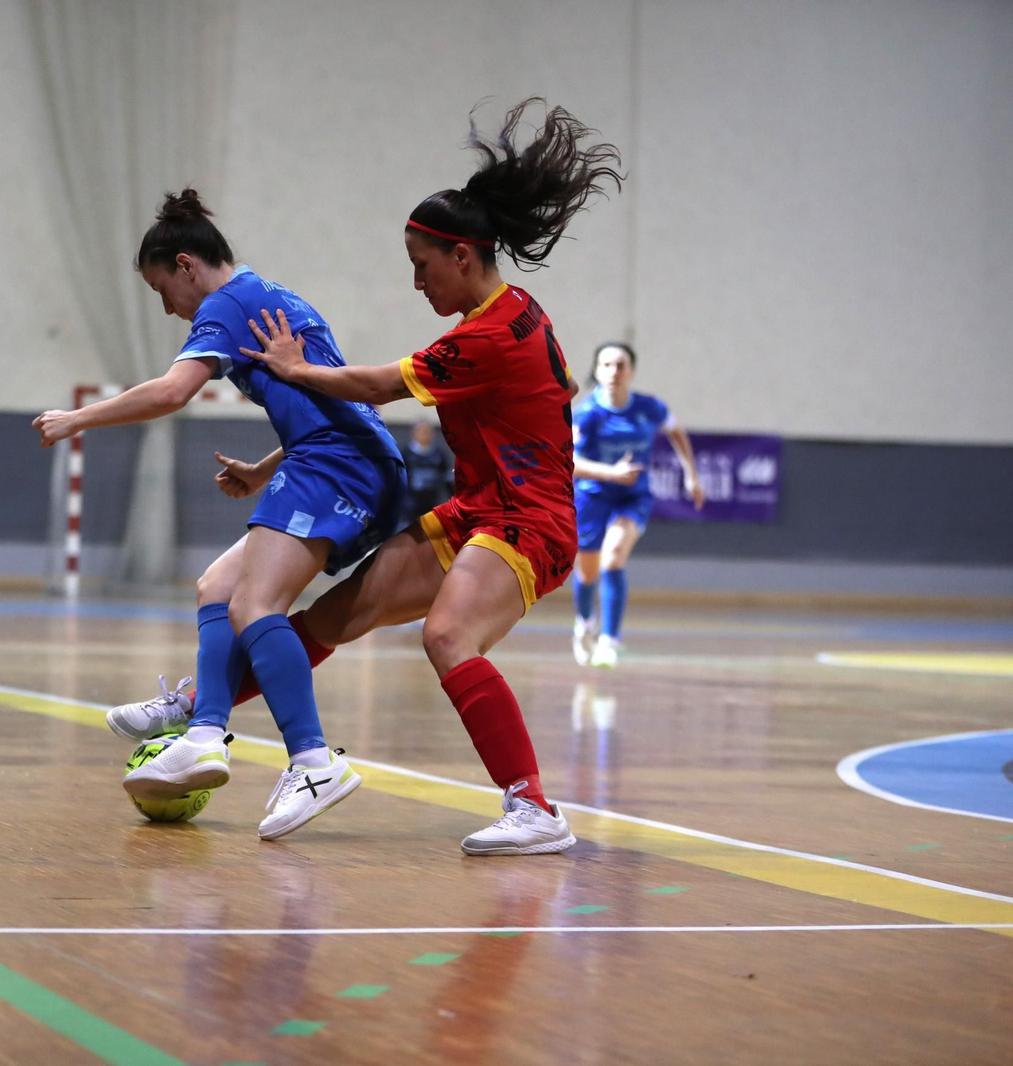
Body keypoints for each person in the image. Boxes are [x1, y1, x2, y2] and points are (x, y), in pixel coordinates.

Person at [112, 98, 620, 856]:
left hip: (530, 521)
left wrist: (294, 368)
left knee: (448, 636)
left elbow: (379, 387)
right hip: (476, 510)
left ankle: (533, 807)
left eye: (421, 267)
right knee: (326, 621)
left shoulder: (486, 337)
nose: (417, 283)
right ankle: (200, 708)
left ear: (461, 256)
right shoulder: (515, 314)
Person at [33, 190, 406, 840]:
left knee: (255, 605)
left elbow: (174, 391)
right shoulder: (271, 295)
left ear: (186, 265)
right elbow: (322, 397)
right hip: (346, 459)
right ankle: (204, 732)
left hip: (337, 463)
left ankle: (313, 762)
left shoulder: (224, 305)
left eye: (161, 289)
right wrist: (265, 471)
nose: (168, 306)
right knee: (220, 588)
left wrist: (78, 420)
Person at [570, 342, 704, 667]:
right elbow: (567, 462)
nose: (614, 372)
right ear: (597, 371)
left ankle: (609, 641)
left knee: (613, 557)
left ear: (631, 371)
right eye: (606, 365)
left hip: (633, 495)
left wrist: (691, 474)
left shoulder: (650, 408)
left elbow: (676, 433)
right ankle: (585, 621)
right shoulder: (586, 414)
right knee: (586, 573)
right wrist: (611, 473)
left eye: (620, 365)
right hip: (592, 495)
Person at [401, 420, 454, 527]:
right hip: (410, 504)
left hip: (432, 501)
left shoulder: (438, 454)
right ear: (414, 433)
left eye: (428, 432)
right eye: (422, 432)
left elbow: (446, 478)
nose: (425, 435)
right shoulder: (406, 454)